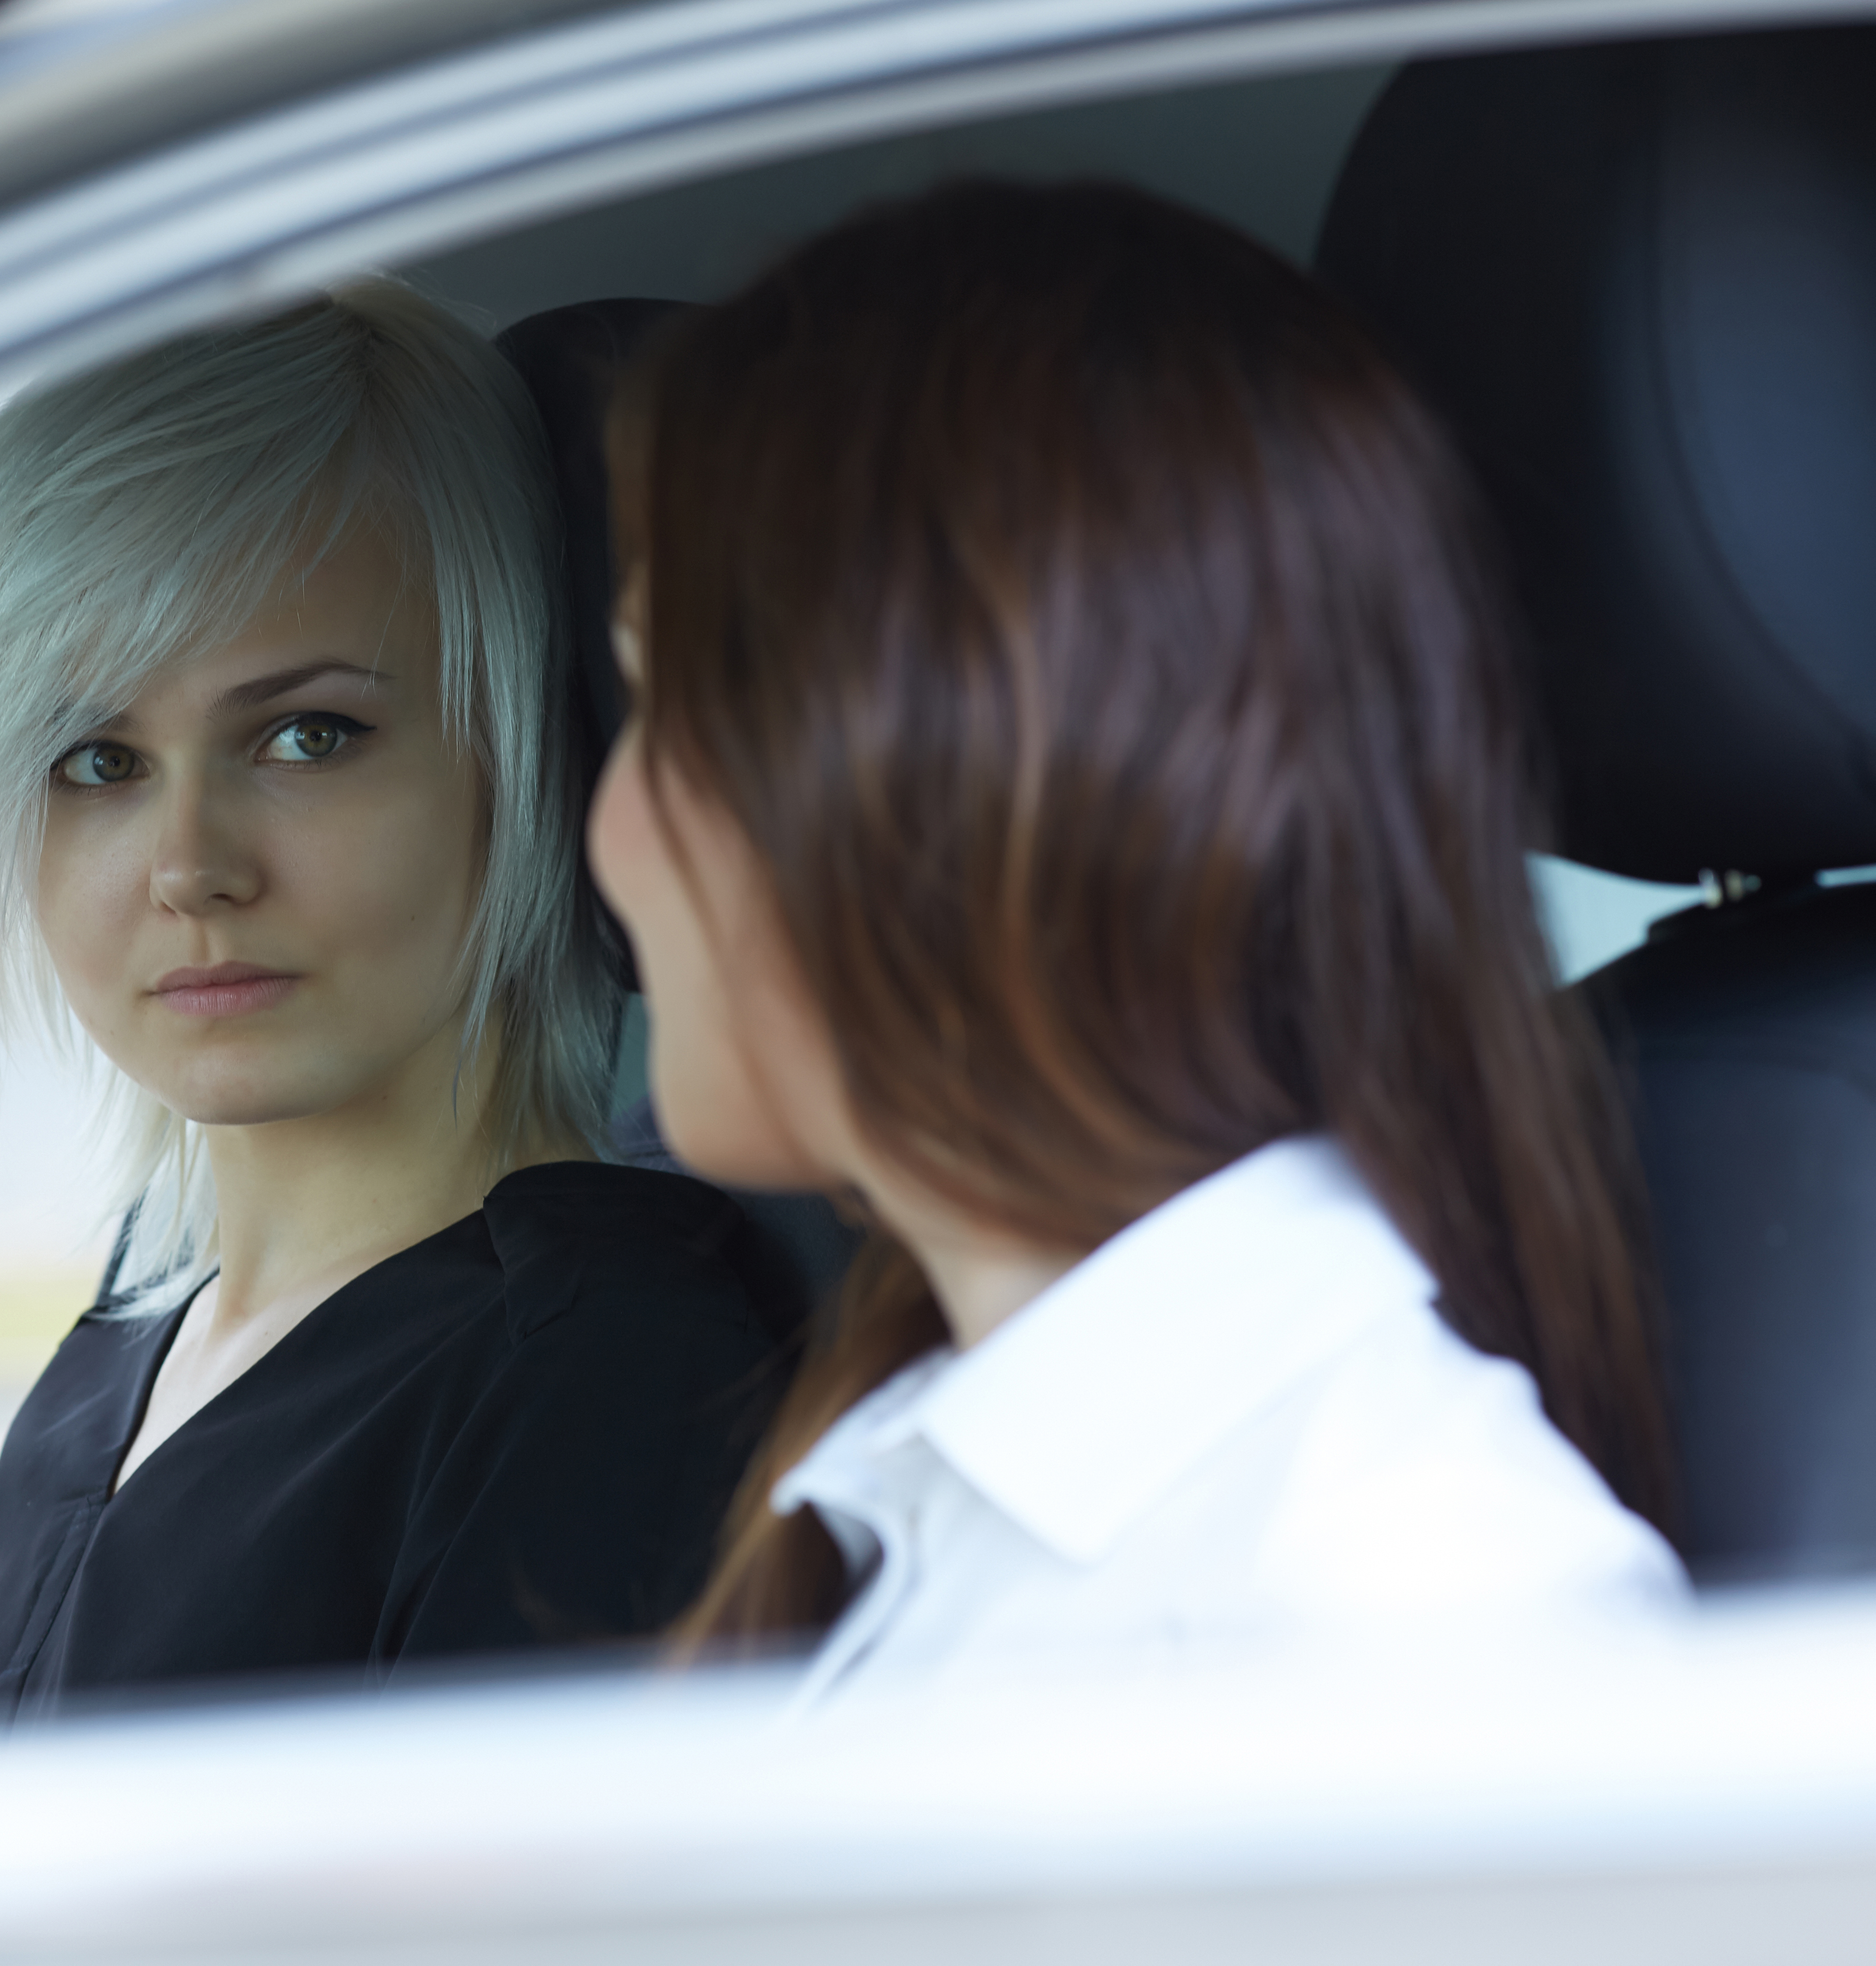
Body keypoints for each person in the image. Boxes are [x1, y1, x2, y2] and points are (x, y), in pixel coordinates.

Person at [588, 181, 1686, 1696]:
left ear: (922, 769)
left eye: (662, 709)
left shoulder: (1410, 1611)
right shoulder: (1001, 1474)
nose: (609, 833)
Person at [0, 281, 790, 1733]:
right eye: (97, 761)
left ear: (520, 750)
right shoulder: (121, 1356)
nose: (193, 866)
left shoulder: (604, 1382)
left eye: (311, 737)